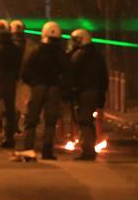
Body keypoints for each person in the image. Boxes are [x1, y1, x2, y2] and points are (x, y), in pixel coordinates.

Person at [21, 21, 67, 159]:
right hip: (53, 88)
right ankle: (47, 151)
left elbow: (25, 70)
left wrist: (32, 83)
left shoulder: (36, 51)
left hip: (37, 87)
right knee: (50, 121)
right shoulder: (60, 53)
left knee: (31, 120)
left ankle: (28, 148)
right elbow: (67, 71)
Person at [68, 28, 108, 160]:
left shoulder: (79, 55)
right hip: (95, 91)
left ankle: (88, 151)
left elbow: (72, 73)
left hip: (84, 92)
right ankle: (88, 148)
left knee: (85, 121)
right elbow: (104, 77)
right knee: (87, 120)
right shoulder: (97, 55)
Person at [0, 19, 22, 148]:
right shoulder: (14, 48)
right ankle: (9, 138)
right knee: (9, 110)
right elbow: (18, 65)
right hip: (10, 81)